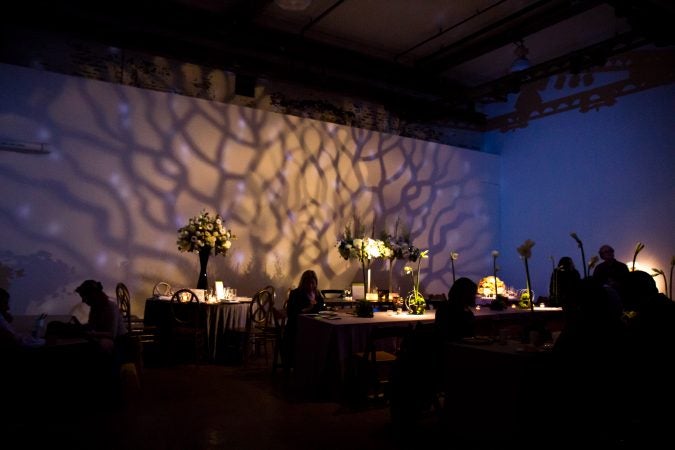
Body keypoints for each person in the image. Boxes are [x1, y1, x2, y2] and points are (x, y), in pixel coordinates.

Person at [283, 270, 325, 370]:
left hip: (314, 326)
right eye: (308, 283)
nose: (310, 286)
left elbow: (320, 309)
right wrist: (307, 309)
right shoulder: (295, 294)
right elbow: (291, 313)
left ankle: (317, 365)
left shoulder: (318, 295)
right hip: (296, 328)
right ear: (303, 282)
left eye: (312, 283)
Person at [434, 277, 477, 342]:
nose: (475, 297)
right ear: (465, 294)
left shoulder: (446, 307)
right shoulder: (450, 310)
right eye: (473, 294)